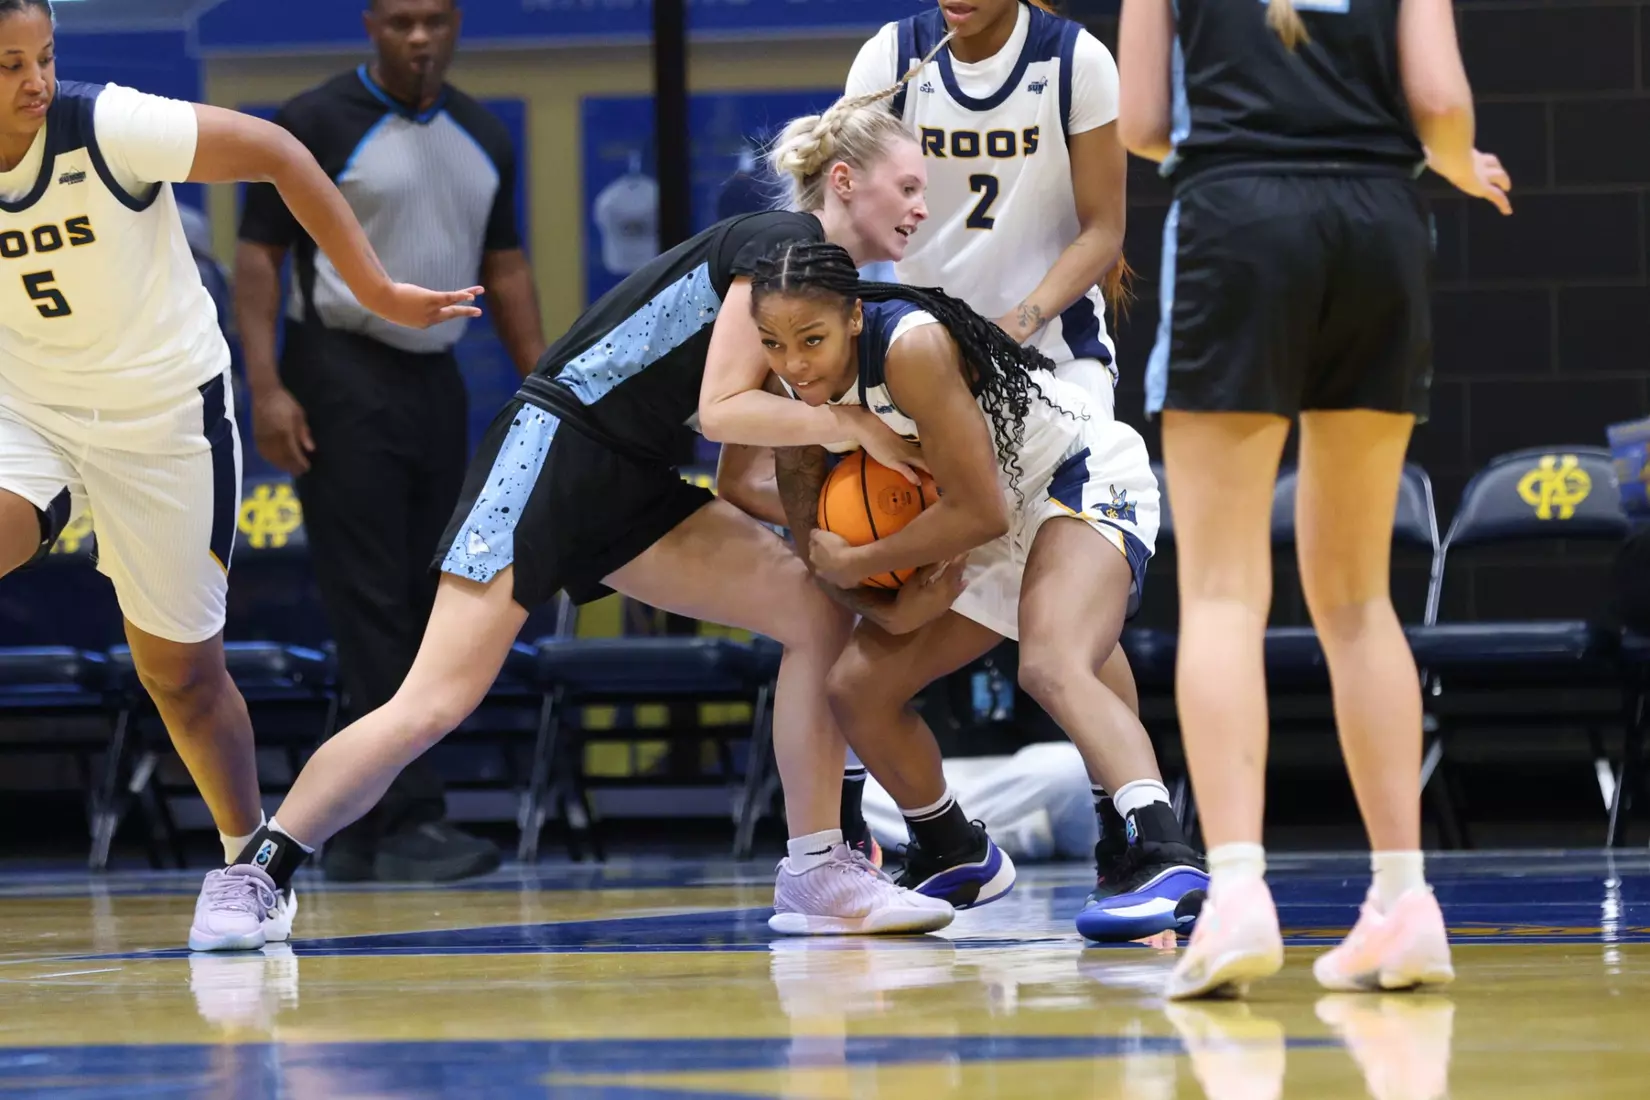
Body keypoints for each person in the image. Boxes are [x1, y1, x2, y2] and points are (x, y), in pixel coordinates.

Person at [189, 93, 1002, 949]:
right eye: (908, 186)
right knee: (432, 701)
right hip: (554, 450)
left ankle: (816, 868)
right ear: (845, 181)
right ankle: (254, 873)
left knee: (818, 610)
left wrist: (856, 551)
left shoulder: (821, 289)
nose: (922, 207)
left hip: (633, 478)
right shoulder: (785, 246)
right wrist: (857, 428)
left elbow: (737, 476)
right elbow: (724, 412)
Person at [0, 0, 480, 951]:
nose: (35, 82)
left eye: (45, 56)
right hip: (30, 414)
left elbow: (275, 149)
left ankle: (247, 863)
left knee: (180, 676)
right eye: (9, 64)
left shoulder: (105, 127)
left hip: (164, 417)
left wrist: (375, 286)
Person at [1116, 0, 1511, 996]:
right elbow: (1441, 100)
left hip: (1239, 214)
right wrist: (1456, 161)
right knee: (1356, 592)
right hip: (1380, 221)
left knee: (1219, 591)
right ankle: (1403, 900)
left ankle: (1241, 889)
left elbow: (1142, 120)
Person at [838, 0, 1204, 939]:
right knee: (1051, 635)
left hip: (1051, 377)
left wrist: (1016, 323)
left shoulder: (1074, 60)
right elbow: (845, 211)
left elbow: (1103, 229)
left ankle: (1145, 841)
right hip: (920, 371)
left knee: (1057, 636)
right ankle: (954, 840)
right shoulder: (894, 54)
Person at [745, 239, 1204, 944]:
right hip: (975, 528)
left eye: (812, 340)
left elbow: (979, 511)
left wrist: (867, 556)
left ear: (854, 320)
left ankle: (1161, 852)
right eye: (773, 344)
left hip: (1073, 476)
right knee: (856, 687)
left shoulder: (911, 346)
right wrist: (890, 603)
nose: (795, 363)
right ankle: (952, 849)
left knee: (1051, 662)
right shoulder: (791, 395)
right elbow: (820, 554)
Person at [236, 0, 546, 883]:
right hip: (337, 372)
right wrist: (267, 385)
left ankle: (361, 828)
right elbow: (258, 258)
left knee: (427, 598)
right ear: (372, 24)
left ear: (456, 27)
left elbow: (508, 267)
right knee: (370, 600)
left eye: (437, 21)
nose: (421, 38)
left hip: (433, 382)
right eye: (403, 21)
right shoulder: (314, 121)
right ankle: (407, 817)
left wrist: (547, 393)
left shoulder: (484, 132)